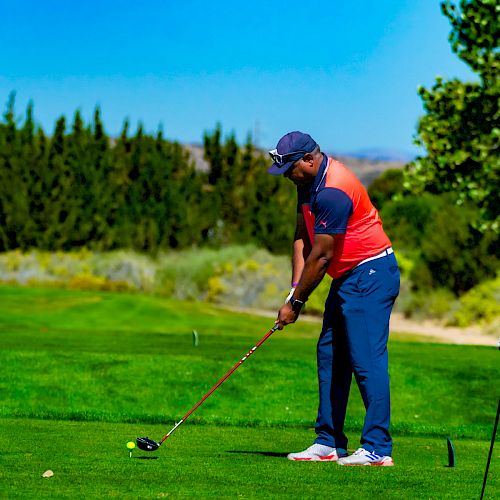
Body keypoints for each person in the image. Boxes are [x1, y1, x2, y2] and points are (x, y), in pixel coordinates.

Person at [268, 131, 400, 466]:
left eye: (290, 169)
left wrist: (296, 304)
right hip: (348, 277)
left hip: (371, 274)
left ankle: (377, 448)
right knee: (330, 354)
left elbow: (322, 255)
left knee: (367, 361)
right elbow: (303, 236)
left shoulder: (332, 191)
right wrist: (295, 286)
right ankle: (328, 441)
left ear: (309, 160)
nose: (287, 177)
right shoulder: (306, 185)